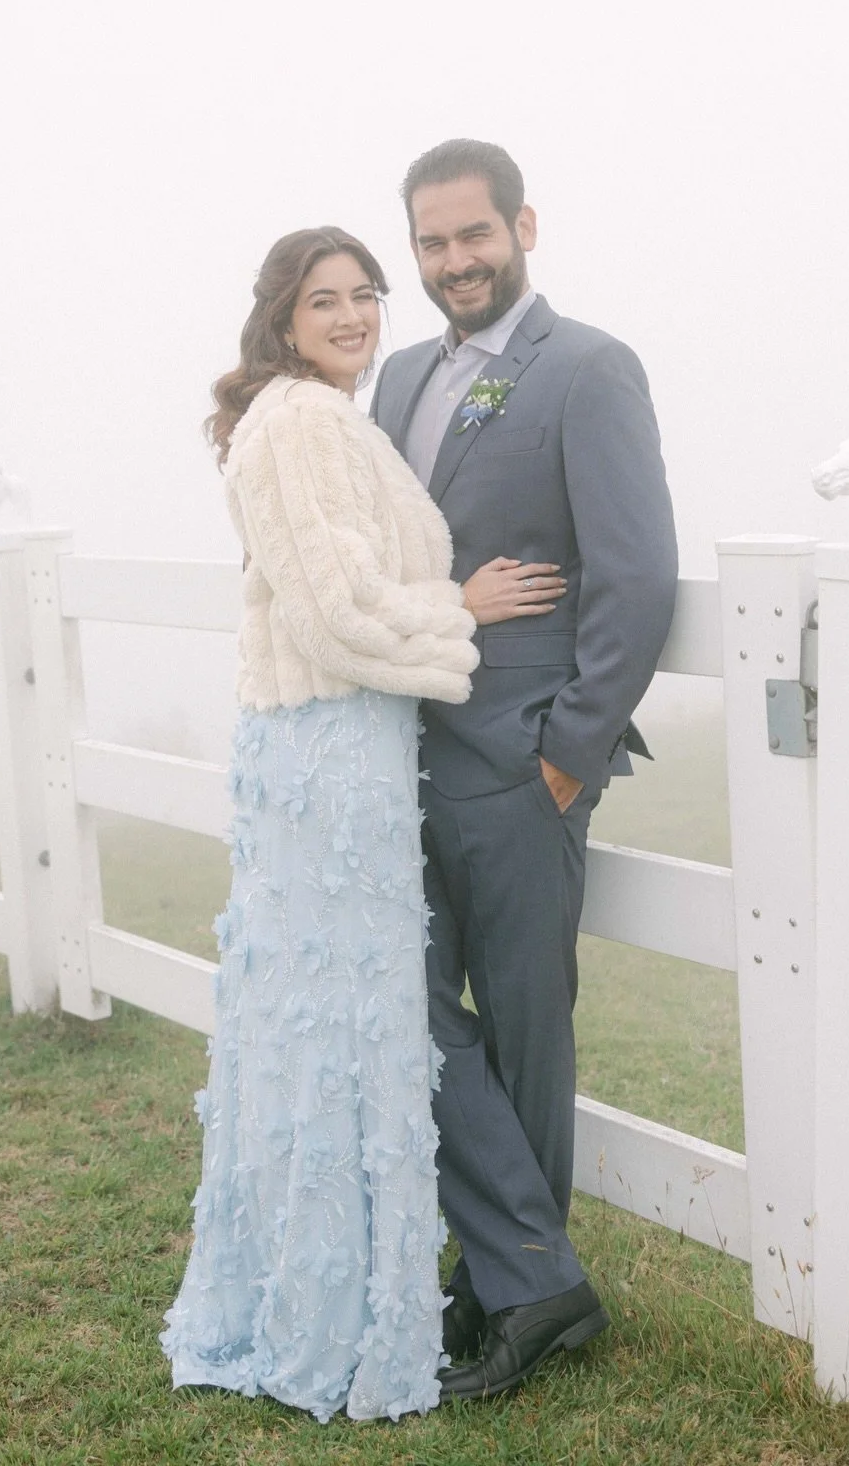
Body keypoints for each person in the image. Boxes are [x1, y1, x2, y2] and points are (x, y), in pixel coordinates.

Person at [161, 226, 496, 1424]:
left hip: (334, 745)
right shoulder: (299, 423)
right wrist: (457, 613)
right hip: (328, 748)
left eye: (366, 295)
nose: (353, 316)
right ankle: (327, 1320)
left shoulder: (319, 414)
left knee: (327, 1027)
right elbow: (336, 610)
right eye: (325, 300)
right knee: (339, 1030)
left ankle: (322, 1296)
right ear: (284, 320)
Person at [371, 140, 679, 1401]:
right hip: (404, 756)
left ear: (523, 227)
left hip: (521, 765)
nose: (454, 263)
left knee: (525, 1038)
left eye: (472, 237)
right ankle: (527, 1270)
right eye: (433, 244)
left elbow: (635, 575)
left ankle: (509, 1285)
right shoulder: (392, 379)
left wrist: (570, 758)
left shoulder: (589, 370)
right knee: (406, 1010)